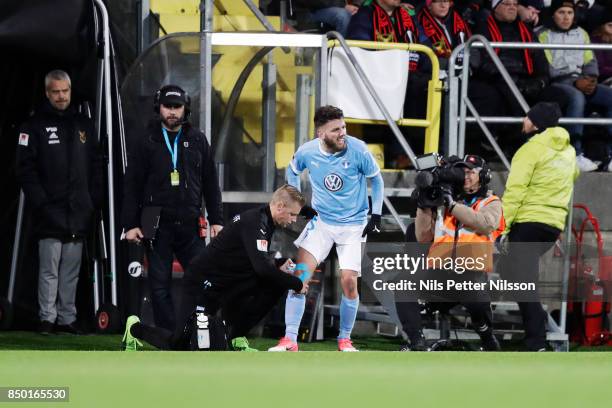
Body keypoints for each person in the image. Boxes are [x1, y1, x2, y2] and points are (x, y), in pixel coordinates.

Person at [121, 185, 308, 352]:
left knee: (273, 283)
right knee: (179, 344)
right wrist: (296, 283)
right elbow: (260, 268)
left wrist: (277, 266)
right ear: (280, 206)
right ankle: (134, 328)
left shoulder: (266, 221)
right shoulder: (254, 222)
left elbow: (254, 260)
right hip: (201, 284)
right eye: (292, 215)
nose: (293, 220)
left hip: (226, 286)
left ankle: (234, 337)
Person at [268, 105, 385, 352]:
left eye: (343, 127)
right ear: (321, 133)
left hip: (353, 225)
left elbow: (377, 179)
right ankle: (290, 339)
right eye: (336, 130)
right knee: (299, 277)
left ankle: (344, 339)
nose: (342, 133)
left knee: (349, 283)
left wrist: (376, 213)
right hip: (322, 222)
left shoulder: (358, 150)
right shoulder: (308, 152)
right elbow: (293, 170)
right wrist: (296, 201)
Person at [121, 84, 223, 332]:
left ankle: (198, 330)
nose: (172, 112)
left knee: (203, 278)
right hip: (153, 219)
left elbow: (210, 182)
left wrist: (217, 219)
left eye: (177, 107)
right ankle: (169, 335)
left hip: (190, 219)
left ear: (185, 108)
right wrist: (131, 224)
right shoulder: (146, 140)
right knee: (158, 283)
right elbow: (132, 184)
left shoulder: (198, 139)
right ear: (159, 107)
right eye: (168, 107)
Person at [16, 69, 101, 335]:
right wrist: (41, 203)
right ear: (47, 93)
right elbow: (25, 170)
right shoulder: (34, 126)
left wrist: (92, 201)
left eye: (65, 91)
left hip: (78, 210)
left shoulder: (83, 125)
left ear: (70, 91)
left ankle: (67, 318)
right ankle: (47, 318)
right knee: (49, 269)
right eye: (56, 91)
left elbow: (96, 165)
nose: (61, 96)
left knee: (71, 270)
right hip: (48, 211)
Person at [396, 154, 504, 351]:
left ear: (484, 176)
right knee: (403, 283)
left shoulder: (491, 202)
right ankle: (416, 342)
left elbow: (486, 224)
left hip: (471, 275)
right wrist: (424, 206)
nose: (467, 176)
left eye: (472, 172)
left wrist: (452, 205)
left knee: (478, 302)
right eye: (463, 172)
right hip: (439, 274)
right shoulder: (443, 201)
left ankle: (487, 337)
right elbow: (422, 237)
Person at [501, 102, 579, 351]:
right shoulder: (568, 152)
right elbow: (573, 175)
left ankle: (536, 341)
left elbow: (515, 191)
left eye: (527, 117)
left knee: (522, 282)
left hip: (528, 222)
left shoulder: (530, 150)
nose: (524, 121)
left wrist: (501, 227)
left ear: (535, 124)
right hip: (552, 225)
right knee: (514, 275)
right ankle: (537, 330)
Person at [468, 0, 567, 153]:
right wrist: (511, 80)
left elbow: (540, 60)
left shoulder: (526, 30)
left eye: (515, 4)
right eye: (507, 4)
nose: (512, 7)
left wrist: (540, 81)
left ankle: (550, 145)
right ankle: (520, 142)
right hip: (498, 79)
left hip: (526, 79)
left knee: (559, 95)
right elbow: (483, 63)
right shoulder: (483, 28)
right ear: (495, 8)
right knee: (509, 94)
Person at [537, 0, 612, 172]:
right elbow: (547, 66)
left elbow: (590, 60)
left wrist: (591, 79)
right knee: (576, 98)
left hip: (582, 80)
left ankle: (609, 154)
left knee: (609, 96)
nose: (566, 17)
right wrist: (576, 83)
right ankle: (574, 154)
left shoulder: (581, 33)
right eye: (561, 12)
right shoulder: (543, 34)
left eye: (569, 13)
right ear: (553, 14)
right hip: (558, 83)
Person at [296, 1, 363, 37]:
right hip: (309, 10)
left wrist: (356, 5)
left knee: (362, 14)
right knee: (343, 16)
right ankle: (339, 54)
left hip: (329, 7)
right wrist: (343, 6)